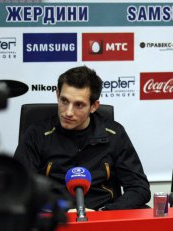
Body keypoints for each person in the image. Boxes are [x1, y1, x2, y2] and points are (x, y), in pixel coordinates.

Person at [14, 66, 151, 211]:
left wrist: (106, 212)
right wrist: (59, 212)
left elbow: (139, 188)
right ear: (57, 94)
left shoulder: (114, 134)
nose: (68, 112)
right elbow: (18, 186)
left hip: (101, 217)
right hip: (54, 219)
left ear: (93, 106)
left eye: (79, 105)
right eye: (64, 101)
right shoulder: (36, 134)